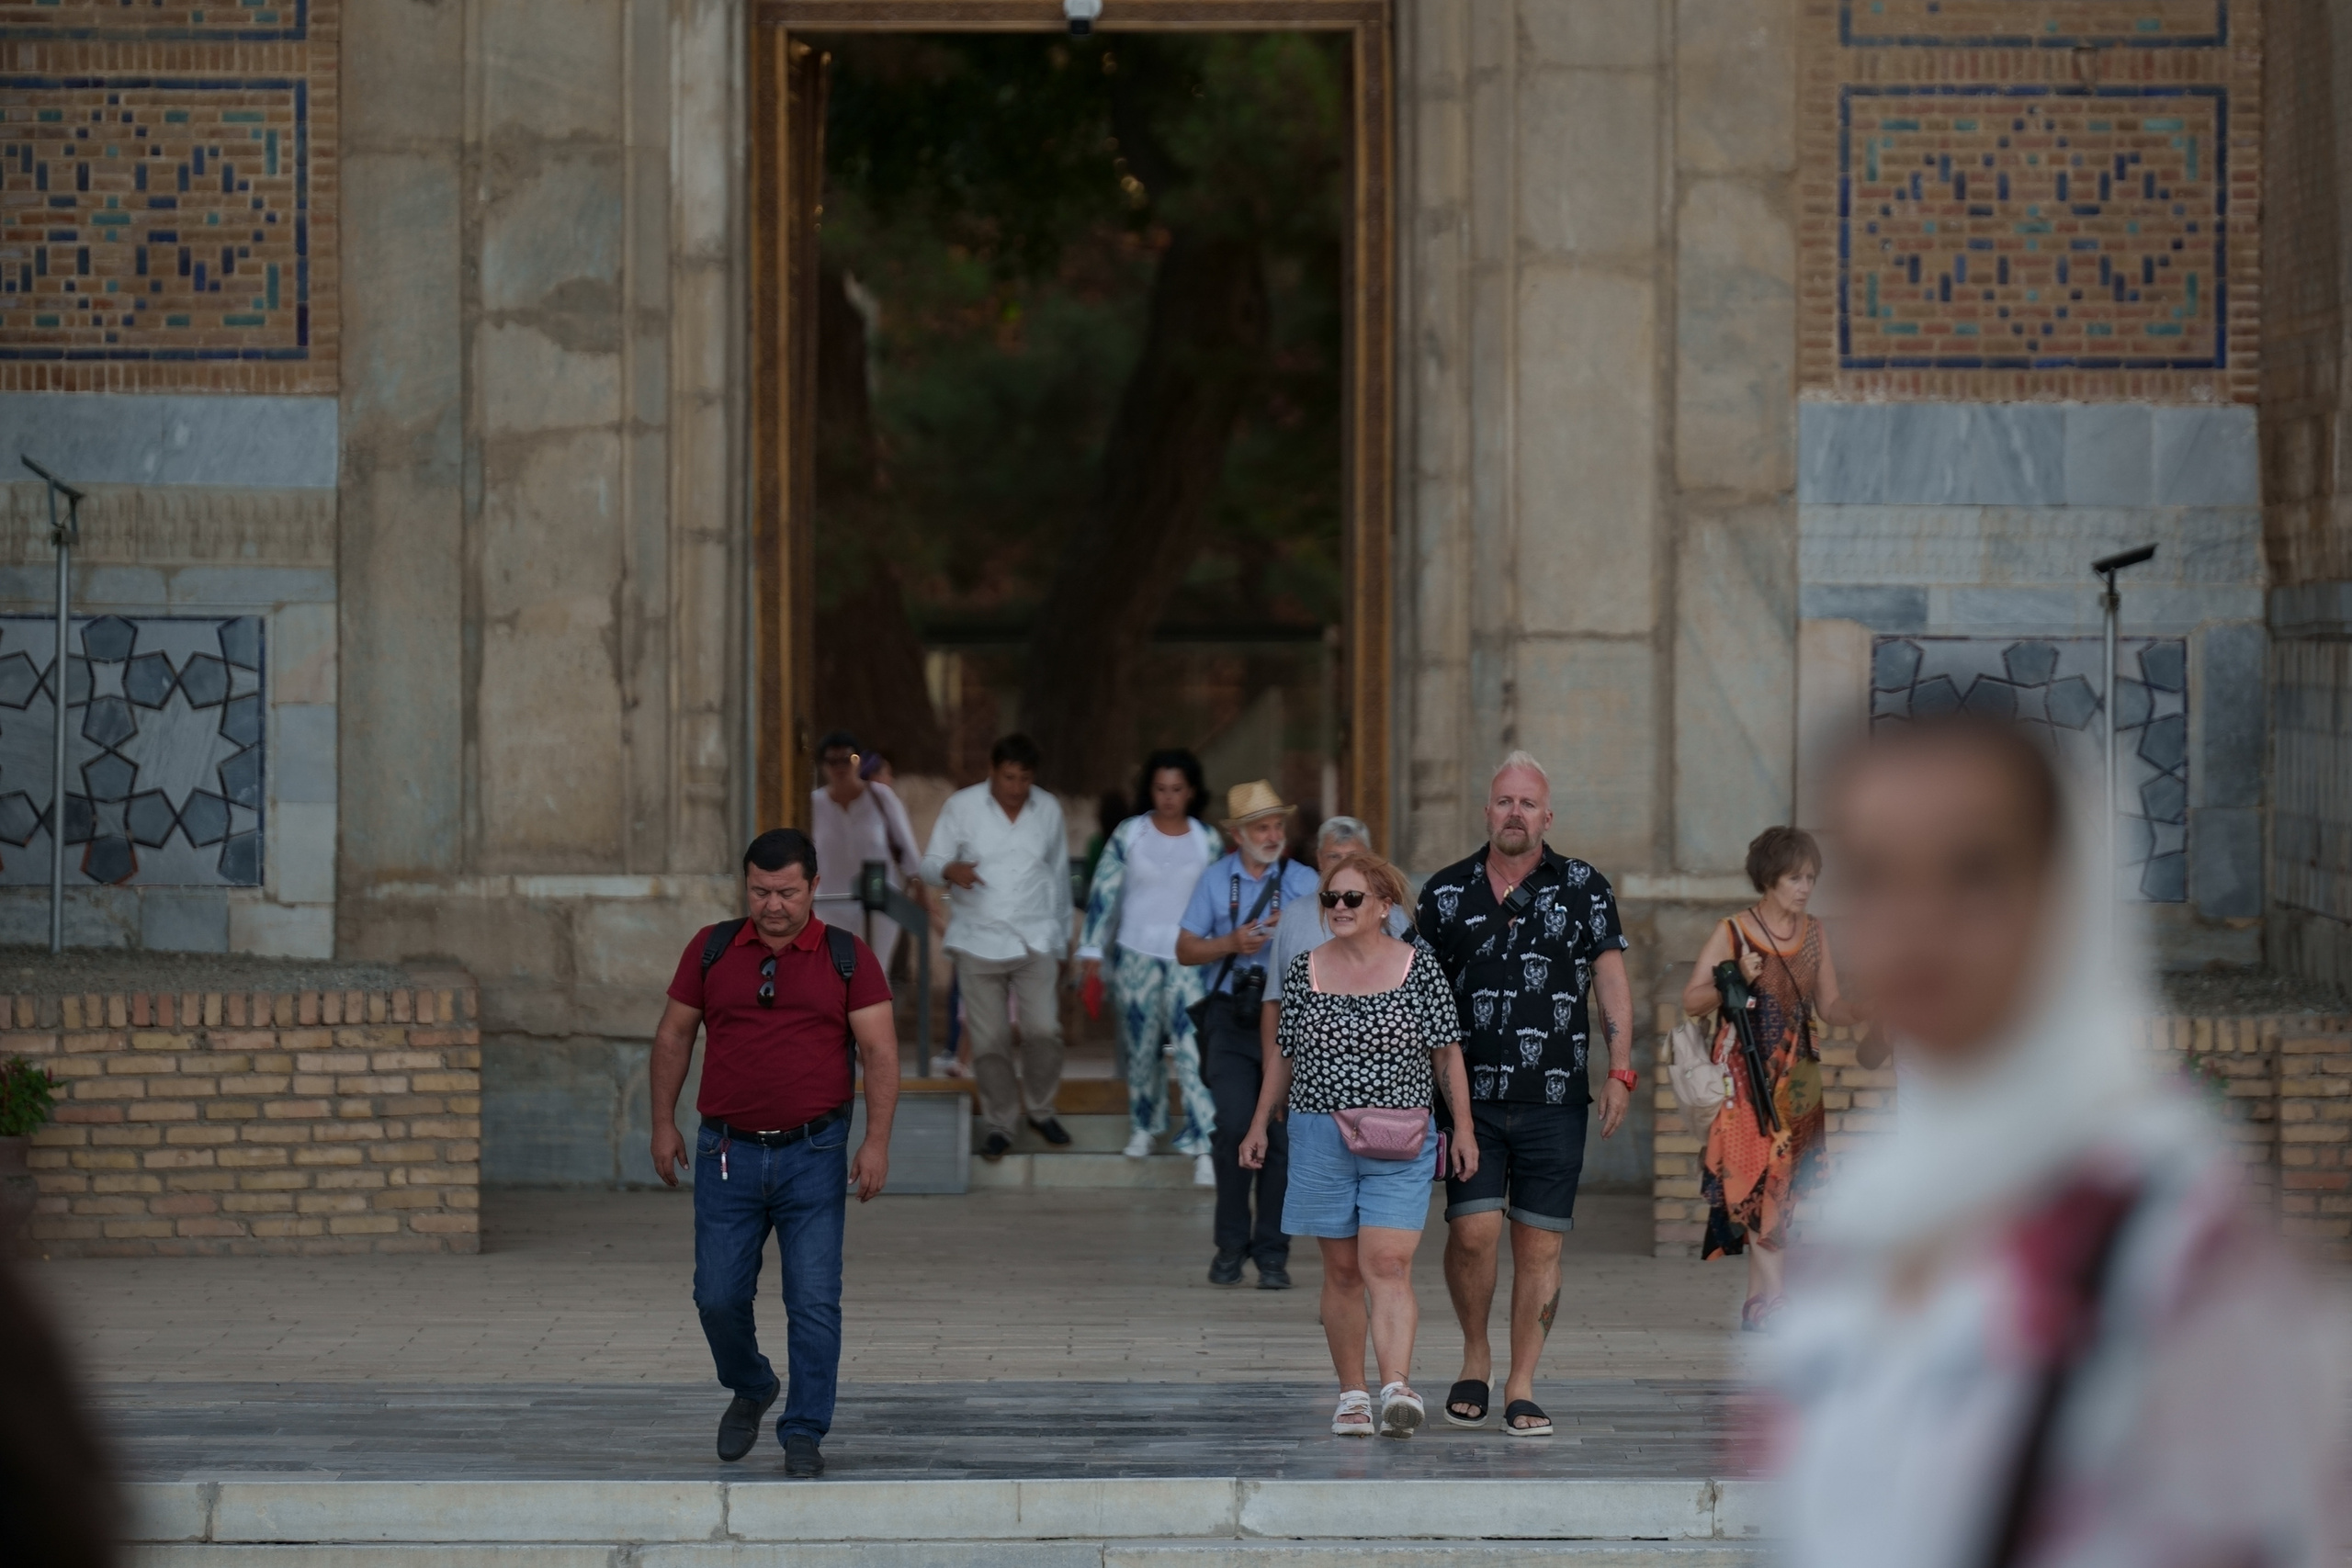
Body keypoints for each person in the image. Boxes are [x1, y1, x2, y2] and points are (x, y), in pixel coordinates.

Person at [1776, 714, 2341, 1568]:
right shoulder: (1858, 1229)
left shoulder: (2182, 1246)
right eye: (1879, 875)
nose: (1916, 922)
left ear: (2065, 896)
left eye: (1974, 872)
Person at [649, 829, 900, 1478]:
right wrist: (662, 1123)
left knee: (813, 1298)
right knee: (716, 1295)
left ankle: (804, 1430)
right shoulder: (711, 948)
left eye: (787, 891)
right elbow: (674, 1035)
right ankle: (753, 1382)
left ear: (814, 886)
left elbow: (880, 1052)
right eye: (760, 891)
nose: (773, 904)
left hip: (814, 1152)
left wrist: (875, 1140)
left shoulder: (848, 957)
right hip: (724, 1152)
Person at [1414, 751, 1635, 1438]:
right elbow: (1415, 990)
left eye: (1527, 803)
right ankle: (1475, 1352)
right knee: (1474, 1231)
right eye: (1504, 801)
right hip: (1466, 1097)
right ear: (1487, 811)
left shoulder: (1584, 887)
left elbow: (1609, 978)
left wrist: (1620, 1066)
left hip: (1556, 1093)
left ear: (1547, 815)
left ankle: (1521, 1382)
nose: (1515, 812)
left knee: (1539, 1246)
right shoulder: (1444, 892)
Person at [1238, 852, 1477, 1440]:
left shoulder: (1418, 968)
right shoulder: (1305, 969)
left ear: (1384, 907)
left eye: (1352, 899)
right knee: (1342, 1272)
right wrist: (1258, 1122)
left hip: (1400, 1135)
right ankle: (1352, 1395)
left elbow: (1447, 1053)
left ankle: (1396, 1386)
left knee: (1388, 1263)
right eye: (1330, 899)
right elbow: (1285, 1054)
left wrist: (1465, 1129)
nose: (1338, 908)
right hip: (1320, 1133)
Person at [1679, 825, 1860, 1330]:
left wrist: (1869, 1008)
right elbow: (1692, 1000)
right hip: (1745, 1075)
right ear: (1768, 878)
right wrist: (1736, 973)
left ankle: (1759, 1302)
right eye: (1794, 877)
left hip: (1799, 1077)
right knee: (1765, 1179)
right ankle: (1776, 1297)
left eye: (1811, 878)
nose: (1804, 887)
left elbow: (1830, 1006)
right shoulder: (1733, 931)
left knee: (1783, 1186)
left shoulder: (1816, 932)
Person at [1177, 779, 1322, 1289]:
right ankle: (1230, 1246)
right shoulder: (1215, 880)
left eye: (1278, 824)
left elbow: (1334, 939)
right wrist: (1231, 943)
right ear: (1238, 834)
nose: (1272, 834)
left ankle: (1273, 1253)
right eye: (1261, 826)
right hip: (1229, 1014)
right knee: (1234, 1127)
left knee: (1282, 1134)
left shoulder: (1305, 880)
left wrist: (1296, 927)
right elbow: (1184, 949)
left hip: (1289, 1017)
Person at [920, 733, 1074, 1161]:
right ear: (992, 770)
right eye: (1008, 777)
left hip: (1036, 937)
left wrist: (1062, 944)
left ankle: (1041, 1110)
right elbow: (927, 866)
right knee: (989, 1041)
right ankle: (1001, 1123)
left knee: (1044, 1030)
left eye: (1025, 779)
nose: (1016, 787)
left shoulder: (1048, 810)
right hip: (977, 938)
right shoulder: (962, 807)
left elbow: (1058, 877)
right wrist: (951, 869)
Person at [1076, 749, 1223, 1184]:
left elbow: (1219, 900)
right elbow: (1103, 893)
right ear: (1150, 790)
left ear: (1191, 791)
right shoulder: (1129, 833)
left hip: (1190, 956)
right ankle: (1144, 1125)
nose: (1168, 797)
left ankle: (1203, 1143)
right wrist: (1091, 949)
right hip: (1136, 952)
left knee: (1194, 1052)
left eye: (1177, 789)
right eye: (1160, 788)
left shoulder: (1206, 839)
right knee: (1141, 1050)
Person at [809, 730, 925, 978]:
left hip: (880, 901)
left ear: (860, 760)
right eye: (833, 761)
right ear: (823, 766)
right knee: (833, 974)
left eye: (848, 759)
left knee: (872, 974)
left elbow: (907, 848)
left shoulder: (880, 797)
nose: (840, 768)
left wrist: (921, 890)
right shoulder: (814, 804)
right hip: (829, 904)